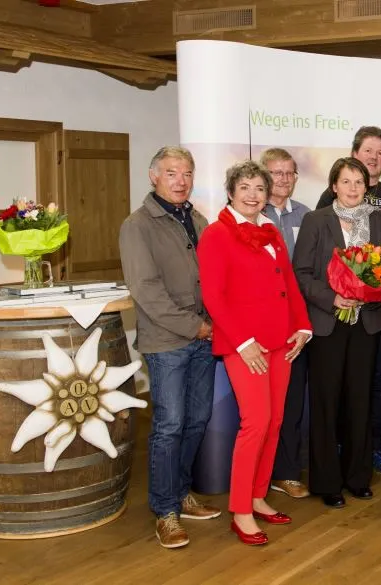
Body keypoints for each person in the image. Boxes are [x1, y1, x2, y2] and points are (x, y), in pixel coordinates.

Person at [198, 161, 312, 546]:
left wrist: (303, 327)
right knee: (256, 423)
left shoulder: (270, 231)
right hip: (245, 346)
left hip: (281, 340)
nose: (252, 195)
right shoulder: (216, 235)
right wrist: (244, 343)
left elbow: (289, 284)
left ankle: (258, 496)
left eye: (259, 188)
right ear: (230, 191)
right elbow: (214, 297)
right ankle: (241, 510)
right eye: (244, 187)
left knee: (276, 420)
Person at [119, 146, 221, 550]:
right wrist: (195, 326)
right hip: (167, 342)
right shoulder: (137, 225)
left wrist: (214, 324)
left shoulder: (197, 218)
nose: (181, 181)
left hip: (203, 337)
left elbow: (212, 279)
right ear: (153, 176)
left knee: (196, 421)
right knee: (169, 425)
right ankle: (165, 511)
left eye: (188, 173)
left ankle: (181, 494)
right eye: (172, 173)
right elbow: (145, 291)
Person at [294, 157, 381, 508]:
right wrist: (333, 297)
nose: (353, 188)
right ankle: (327, 481)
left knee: (360, 402)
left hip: (367, 323)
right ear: (334, 186)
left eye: (358, 182)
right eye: (346, 181)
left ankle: (357, 477)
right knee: (326, 403)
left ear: (367, 187)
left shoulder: (380, 220)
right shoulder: (315, 221)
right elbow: (302, 273)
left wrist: (373, 289)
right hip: (328, 324)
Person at [317, 127, 381, 474]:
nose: (373, 157)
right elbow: (326, 254)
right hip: (337, 311)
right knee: (341, 383)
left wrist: (379, 287)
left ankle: (373, 446)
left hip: (376, 310)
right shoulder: (329, 200)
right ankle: (341, 446)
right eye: (368, 150)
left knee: (375, 380)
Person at [259, 148, 314, 500]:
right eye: (276, 173)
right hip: (260, 327)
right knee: (259, 408)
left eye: (289, 173)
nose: (283, 179)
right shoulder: (249, 216)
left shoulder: (308, 217)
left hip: (299, 327)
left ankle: (288, 471)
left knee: (292, 403)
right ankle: (258, 474)